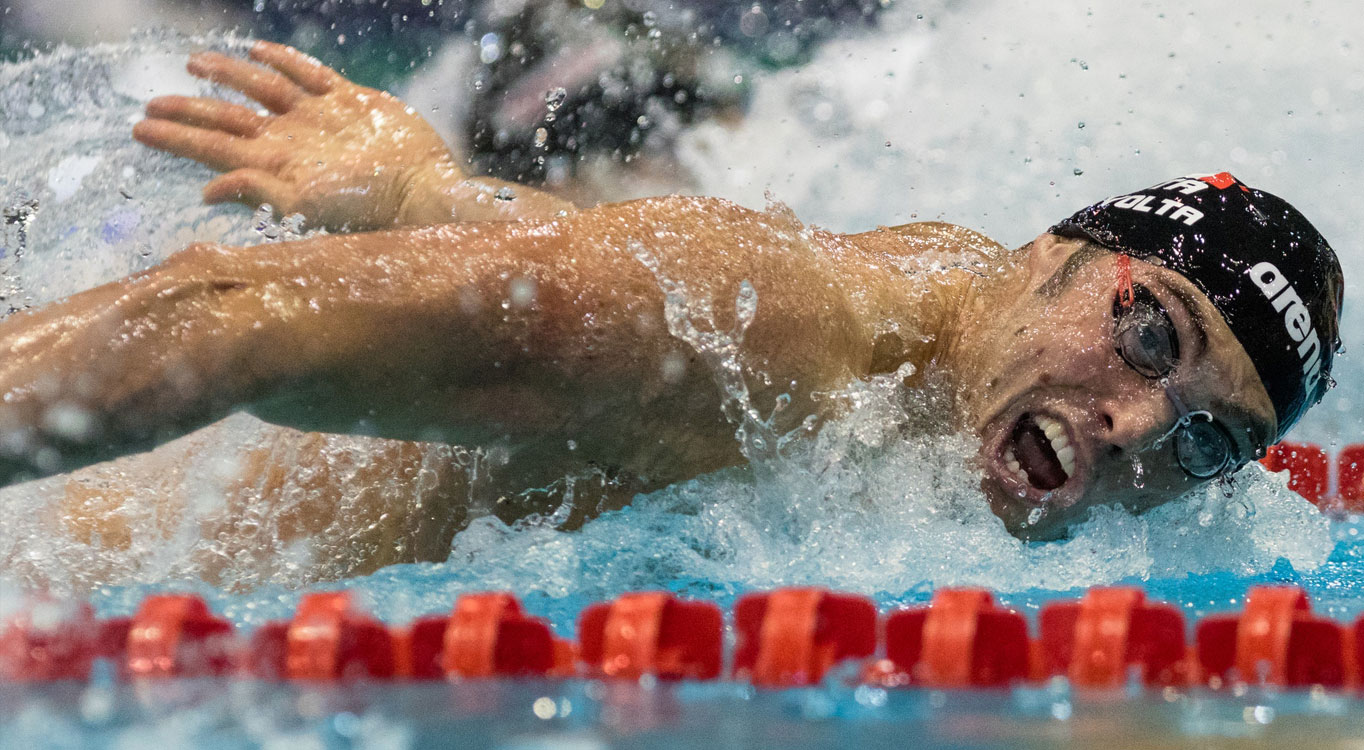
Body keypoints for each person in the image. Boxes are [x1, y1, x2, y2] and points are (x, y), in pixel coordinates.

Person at [0, 43, 1344, 585]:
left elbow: (632, 293)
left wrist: (424, 191)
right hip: (70, 569)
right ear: (1058, 250)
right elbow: (224, 309)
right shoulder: (775, 340)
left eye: (1209, 438)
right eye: (1152, 332)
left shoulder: (957, 298)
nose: (1131, 423)